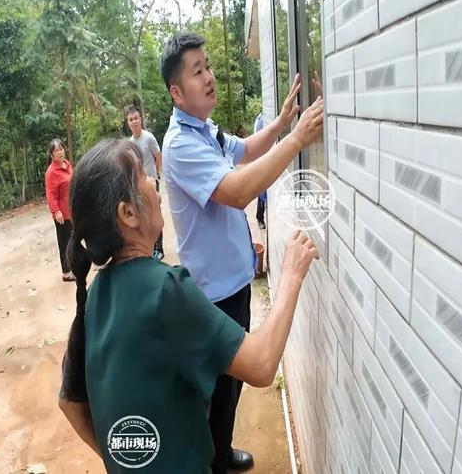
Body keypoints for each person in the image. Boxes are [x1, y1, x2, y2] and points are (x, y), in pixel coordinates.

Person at [57, 138, 319, 473]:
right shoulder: (165, 290)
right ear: (129, 213)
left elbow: (68, 402)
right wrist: (292, 273)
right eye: (145, 179)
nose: (155, 185)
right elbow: (262, 364)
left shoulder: (95, 293)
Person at [160, 32, 324, 473]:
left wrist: (282, 124)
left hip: (234, 283)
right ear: (177, 92)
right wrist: (296, 141)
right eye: (197, 72)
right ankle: (211, 462)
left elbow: (245, 151)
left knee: (229, 387)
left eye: (207, 66)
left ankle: (222, 449)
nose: (209, 77)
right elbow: (237, 190)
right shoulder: (180, 146)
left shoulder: (206, 130)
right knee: (214, 390)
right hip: (213, 295)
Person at [127, 105, 164, 260]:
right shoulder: (130, 142)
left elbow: (158, 155)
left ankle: (159, 248)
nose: (134, 122)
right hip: (138, 185)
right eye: (131, 119)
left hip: (151, 182)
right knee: (143, 216)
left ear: (140, 120)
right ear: (128, 123)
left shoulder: (148, 137)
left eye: (136, 118)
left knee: (154, 214)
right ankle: (147, 248)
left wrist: (156, 174)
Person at [45, 138, 75, 282]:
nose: (60, 152)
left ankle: (78, 265)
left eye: (61, 149)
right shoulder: (51, 172)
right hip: (62, 214)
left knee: (75, 238)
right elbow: (51, 194)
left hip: (72, 210)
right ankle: (66, 272)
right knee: (65, 242)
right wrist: (56, 211)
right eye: (56, 150)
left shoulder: (67, 164)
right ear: (51, 155)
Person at [252, 112, 267, 229]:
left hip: (261, 158)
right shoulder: (262, 119)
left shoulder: (260, 118)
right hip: (261, 158)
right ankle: (260, 218)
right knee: (262, 191)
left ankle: (260, 217)